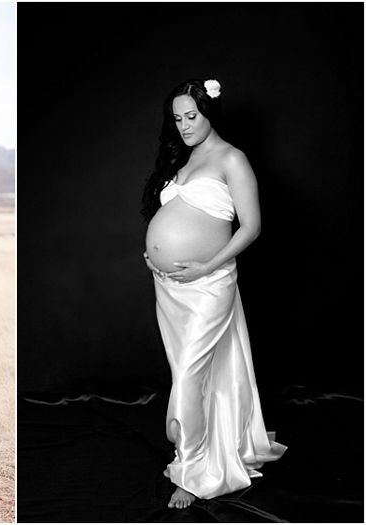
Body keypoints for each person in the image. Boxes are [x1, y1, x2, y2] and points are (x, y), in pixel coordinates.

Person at [141, 79, 286, 509]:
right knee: (191, 375)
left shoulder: (231, 159)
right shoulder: (183, 160)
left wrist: (207, 264)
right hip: (169, 288)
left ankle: (192, 471)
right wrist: (156, 254)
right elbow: (172, 217)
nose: (184, 125)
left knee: (188, 373)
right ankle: (209, 446)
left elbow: (252, 226)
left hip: (208, 283)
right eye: (178, 118)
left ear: (209, 114)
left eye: (192, 116)